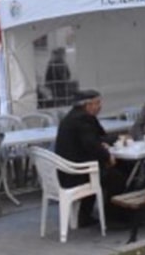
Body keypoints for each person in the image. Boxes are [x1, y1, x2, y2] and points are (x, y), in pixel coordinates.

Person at [54, 89, 126, 227]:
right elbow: (92, 144)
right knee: (117, 177)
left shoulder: (75, 116)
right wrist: (107, 156)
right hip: (75, 173)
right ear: (88, 105)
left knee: (108, 171)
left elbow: (99, 138)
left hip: (68, 169)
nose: (100, 106)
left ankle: (85, 216)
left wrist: (117, 138)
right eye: (97, 103)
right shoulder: (83, 119)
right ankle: (113, 217)